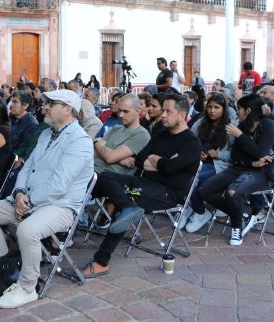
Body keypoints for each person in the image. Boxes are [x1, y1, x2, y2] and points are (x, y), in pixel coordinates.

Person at [0, 89, 93, 308]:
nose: (44, 107)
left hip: (61, 206)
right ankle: (6, 268)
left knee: (27, 230)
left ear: (67, 109)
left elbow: (59, 187)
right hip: (29, 199)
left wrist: (26, 202)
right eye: (45, 102)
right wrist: (20, 192)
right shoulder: (47, 133)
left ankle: (27, 287)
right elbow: (27, 167)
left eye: (50, 103)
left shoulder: (80, 141)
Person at [82, 94, 200, 278]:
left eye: (168, 111)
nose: (163, 115)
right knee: (102, 177)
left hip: (167, 193)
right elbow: (141, 160)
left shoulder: (192, 143)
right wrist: (160, 162)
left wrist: (156, 161)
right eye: (164, 111)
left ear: (183, 114)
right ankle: (117, 209)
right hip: (144, 183)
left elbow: (171, 168)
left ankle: (100, 262)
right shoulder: (160, 135)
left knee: (125, 200)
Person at [199, 93, 274, 245]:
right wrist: (252, 163)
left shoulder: (268, 126)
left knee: (232, 192)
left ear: (248, 111)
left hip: (264, 172)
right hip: (243, 168)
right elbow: (236, 155)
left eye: (239, 109)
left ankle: (236, 228)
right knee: (205, 189)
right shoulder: (242, 127)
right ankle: (241, 216)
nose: (237, 112)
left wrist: (240, 136)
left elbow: (260, 153)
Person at [183, 92, 235, 233]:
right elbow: (190, 142)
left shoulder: (231, 126)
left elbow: (236, 154)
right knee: (182, 175)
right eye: (210, 107)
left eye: (216, 107)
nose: (212, 110)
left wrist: (218, 154)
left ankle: (201, 212)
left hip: (220, 165)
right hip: (199, 162)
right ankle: (188, 207)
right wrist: (197, 151)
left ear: (224, 109)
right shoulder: (201, 123)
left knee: (192, 180)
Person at [93, 94, 150, 175]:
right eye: (120, 111)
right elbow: (95, 154)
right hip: (92, 170)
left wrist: (96, 143)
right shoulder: (115, 128)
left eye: (125, 111)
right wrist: (120, 160)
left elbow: (110, 158)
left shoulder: (141, 135)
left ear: (137, 111)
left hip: (109, 177)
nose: (121, 115)